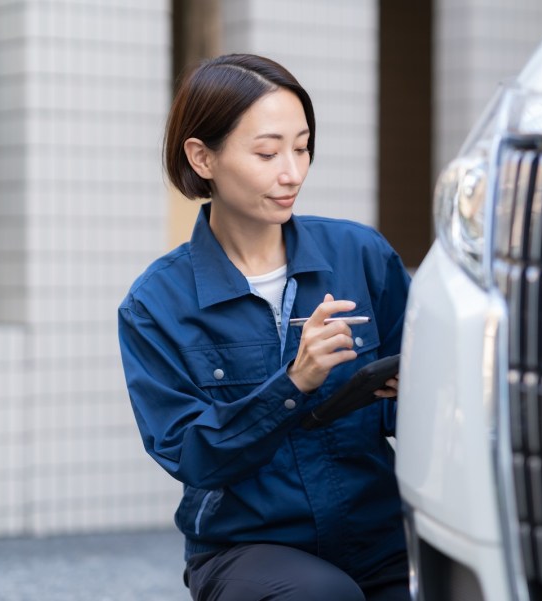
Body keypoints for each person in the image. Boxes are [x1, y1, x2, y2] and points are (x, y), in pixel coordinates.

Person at [117, 53, 412, 601]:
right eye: (267, 152)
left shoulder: (361, 255)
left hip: (377, 536)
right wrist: (294, 381)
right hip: (247, 550)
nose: (292, 173)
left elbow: (421, 401)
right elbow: (190, 455)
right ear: (202, 157)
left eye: (301, 148)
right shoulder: (156, 304)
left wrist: (407, 390)